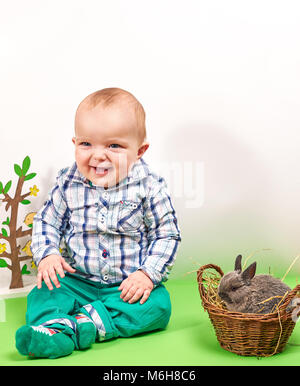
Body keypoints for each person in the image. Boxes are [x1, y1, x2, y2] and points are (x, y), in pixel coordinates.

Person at [15, 87, 181, 358]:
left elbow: (167, 234)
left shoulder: (149, 186)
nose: (98, 155)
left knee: (159, 306)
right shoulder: (68, 182)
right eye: (86, 144)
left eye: (114, 146)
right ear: (75, 143)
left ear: (139, 151)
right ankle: (59, 330)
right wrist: (48, 254)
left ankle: (73, 326)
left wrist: (147, 274)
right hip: (76, 280)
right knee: (43, 292)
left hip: (124, 286)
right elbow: (47, 221)